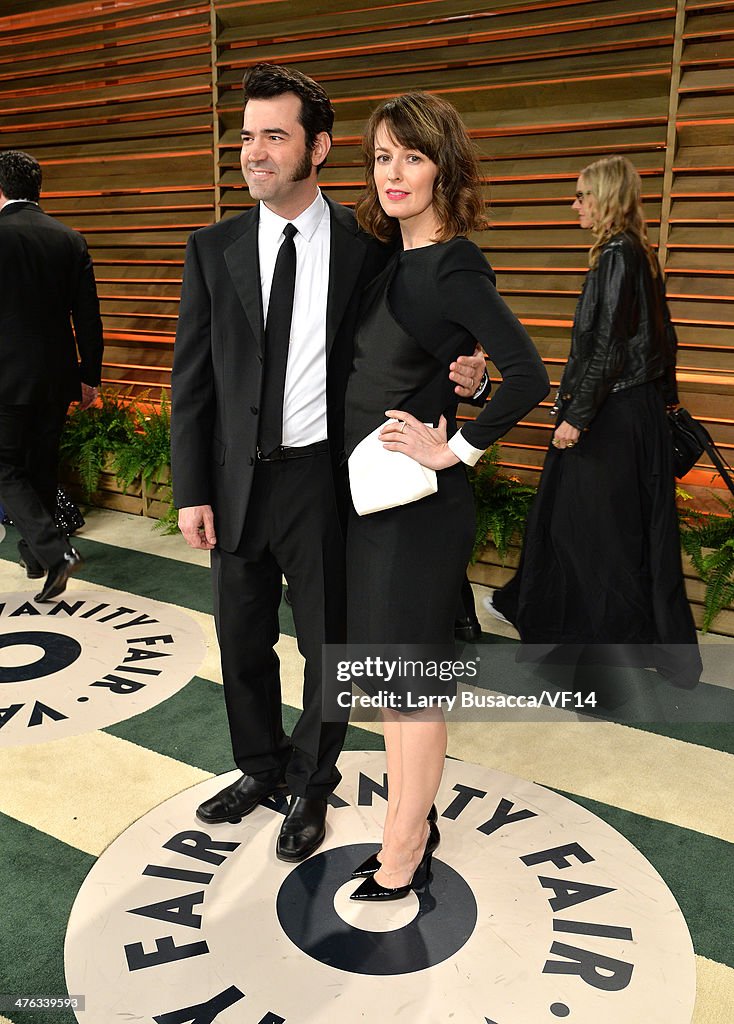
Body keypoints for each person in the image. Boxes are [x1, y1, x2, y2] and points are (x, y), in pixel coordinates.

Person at [170, 64, 486, 863]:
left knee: (327, 648)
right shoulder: (212, 248)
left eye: (274, 136)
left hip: (324, 481)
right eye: (247, 136)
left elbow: (425, 334)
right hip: (235, 478)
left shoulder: (369, 248)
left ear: (318, 147)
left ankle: (312, 784)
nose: (254, 152)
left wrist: (470, 371)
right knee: (240, 641)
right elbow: (192, 380)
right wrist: (190, 489)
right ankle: (258, 766)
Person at [343, 92, 549, 901]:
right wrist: (462, 383)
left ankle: (404, 847)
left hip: (417, 511)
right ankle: (411, 820)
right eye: (382, 156)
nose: (393, 173)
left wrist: (454, 449)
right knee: (391, 688)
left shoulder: (454, 260)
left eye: (413, 157)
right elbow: (425, 364)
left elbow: (530, 373)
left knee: (409, 689)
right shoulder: (392, 259)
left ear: (444, 167)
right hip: (373, 507)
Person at [490, 155, 702, 688]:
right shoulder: (642, 254)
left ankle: (589, 664)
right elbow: (665, 339)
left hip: (609, 418)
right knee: (623, 535)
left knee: (586, 537)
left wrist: (577, 418)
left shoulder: (615, 255)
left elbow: (605, 345)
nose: (575, 204)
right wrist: (666, 404)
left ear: (605, 198)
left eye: (583, 195)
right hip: (639, 416)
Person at [0, 150, 102, 603]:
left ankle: (54, 552)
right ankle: (37, 555)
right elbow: (88, 317)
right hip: (57, 376)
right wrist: (90, 376)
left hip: (4, 376)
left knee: (4, 467)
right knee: (38, 466)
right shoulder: (69, 238)